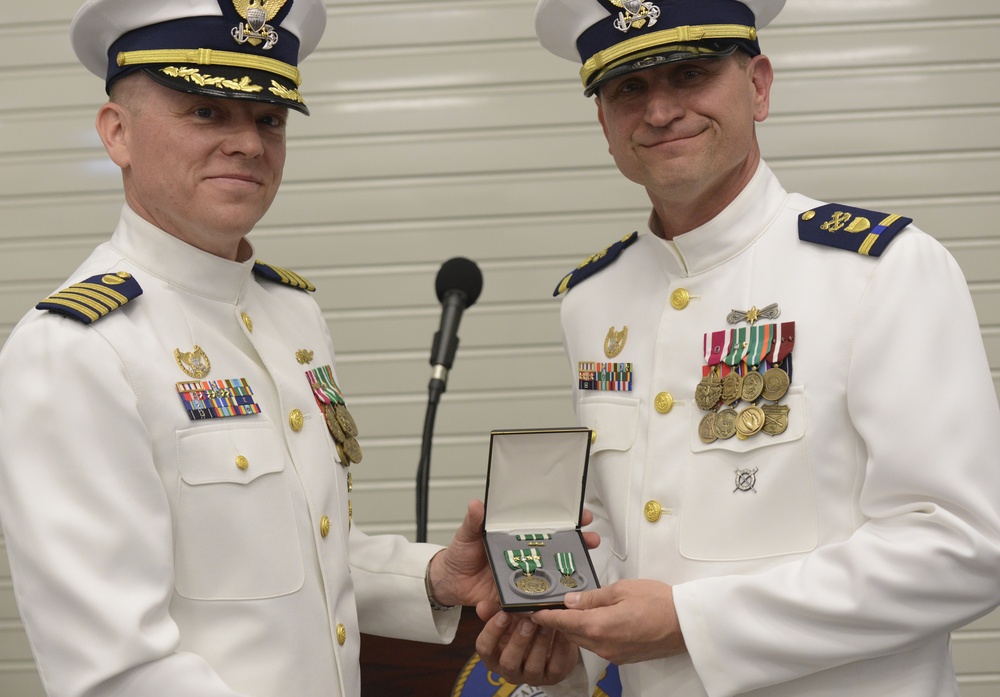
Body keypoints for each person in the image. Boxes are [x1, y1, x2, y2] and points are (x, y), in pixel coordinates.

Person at [475, 1, 1000, 695]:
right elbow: (620, 529)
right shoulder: (591, 298)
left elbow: (966, 547)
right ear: (603, 122)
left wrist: (695, 622)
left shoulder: (881, 269)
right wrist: (565, 640)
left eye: (689, 74)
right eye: (628, 88)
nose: (659, 111)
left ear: (758, 85)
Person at [0, 1, 500, 695]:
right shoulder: (77, 349)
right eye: (206, 111)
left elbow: (300, 557)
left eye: (269, 118)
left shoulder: (289, 313)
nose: (248, 143)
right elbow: (114, 670)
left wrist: (434, 578)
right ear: (117, 133)